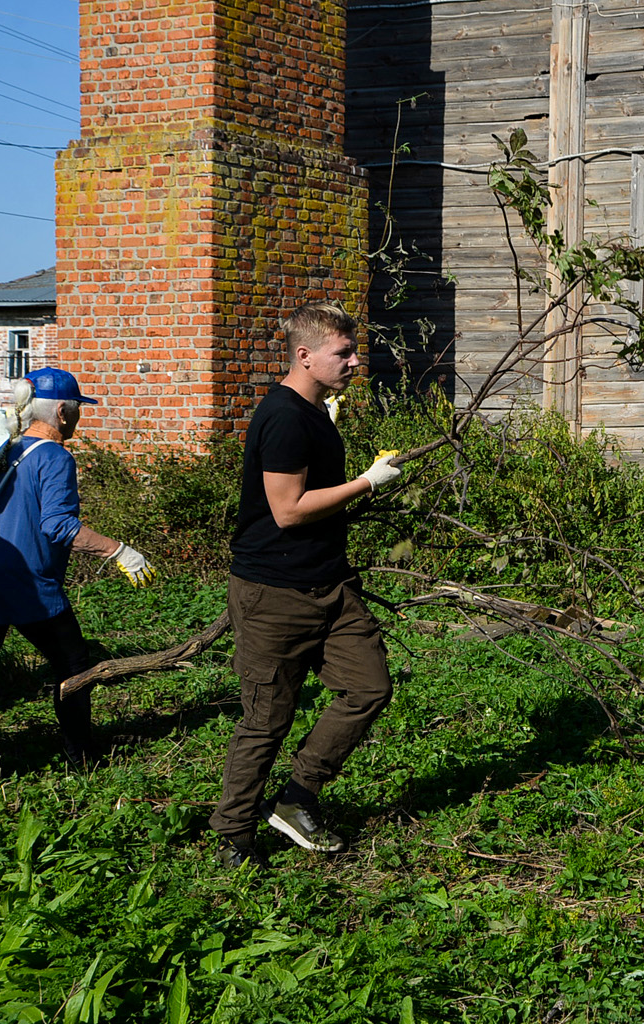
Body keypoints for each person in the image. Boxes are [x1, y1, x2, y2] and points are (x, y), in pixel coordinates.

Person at [211, 301, 404, 869]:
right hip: (275, 593)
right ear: (304, 355)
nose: (354, 361)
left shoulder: (314, 412)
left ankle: (297, 798)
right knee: (267, 718)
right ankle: (234, 837)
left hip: (330, 585)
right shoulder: (285, 417)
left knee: (369, 687)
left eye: (353, 351)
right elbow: (289, 511)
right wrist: (367, 483)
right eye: (342, 353)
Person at [0, 367, 156, 766]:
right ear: (61, 412)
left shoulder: (7, 450)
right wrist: (118, 551)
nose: (79, 416)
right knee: (74, 666)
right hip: (30, 587)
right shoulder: (55, 456)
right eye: (77, 408)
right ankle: (83, 757)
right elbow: (57, 525)